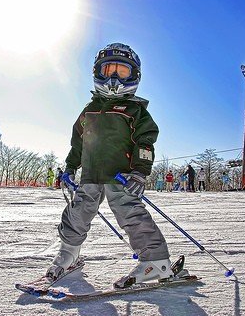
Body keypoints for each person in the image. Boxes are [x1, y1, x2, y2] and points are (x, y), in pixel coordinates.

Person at [48, 43, 174, 288]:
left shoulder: (135, 111)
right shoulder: (89, 110)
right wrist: (70, 168)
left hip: (121, 175)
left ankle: (156, 260)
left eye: (122, 72)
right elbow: (78, 144)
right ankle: (69, 253)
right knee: (77, 213)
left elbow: (144, 143)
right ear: (98, 73)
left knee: (130, 214)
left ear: (134, 76)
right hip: (90, 174)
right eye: (109, 70)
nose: (114, 78)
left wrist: (140, 172)